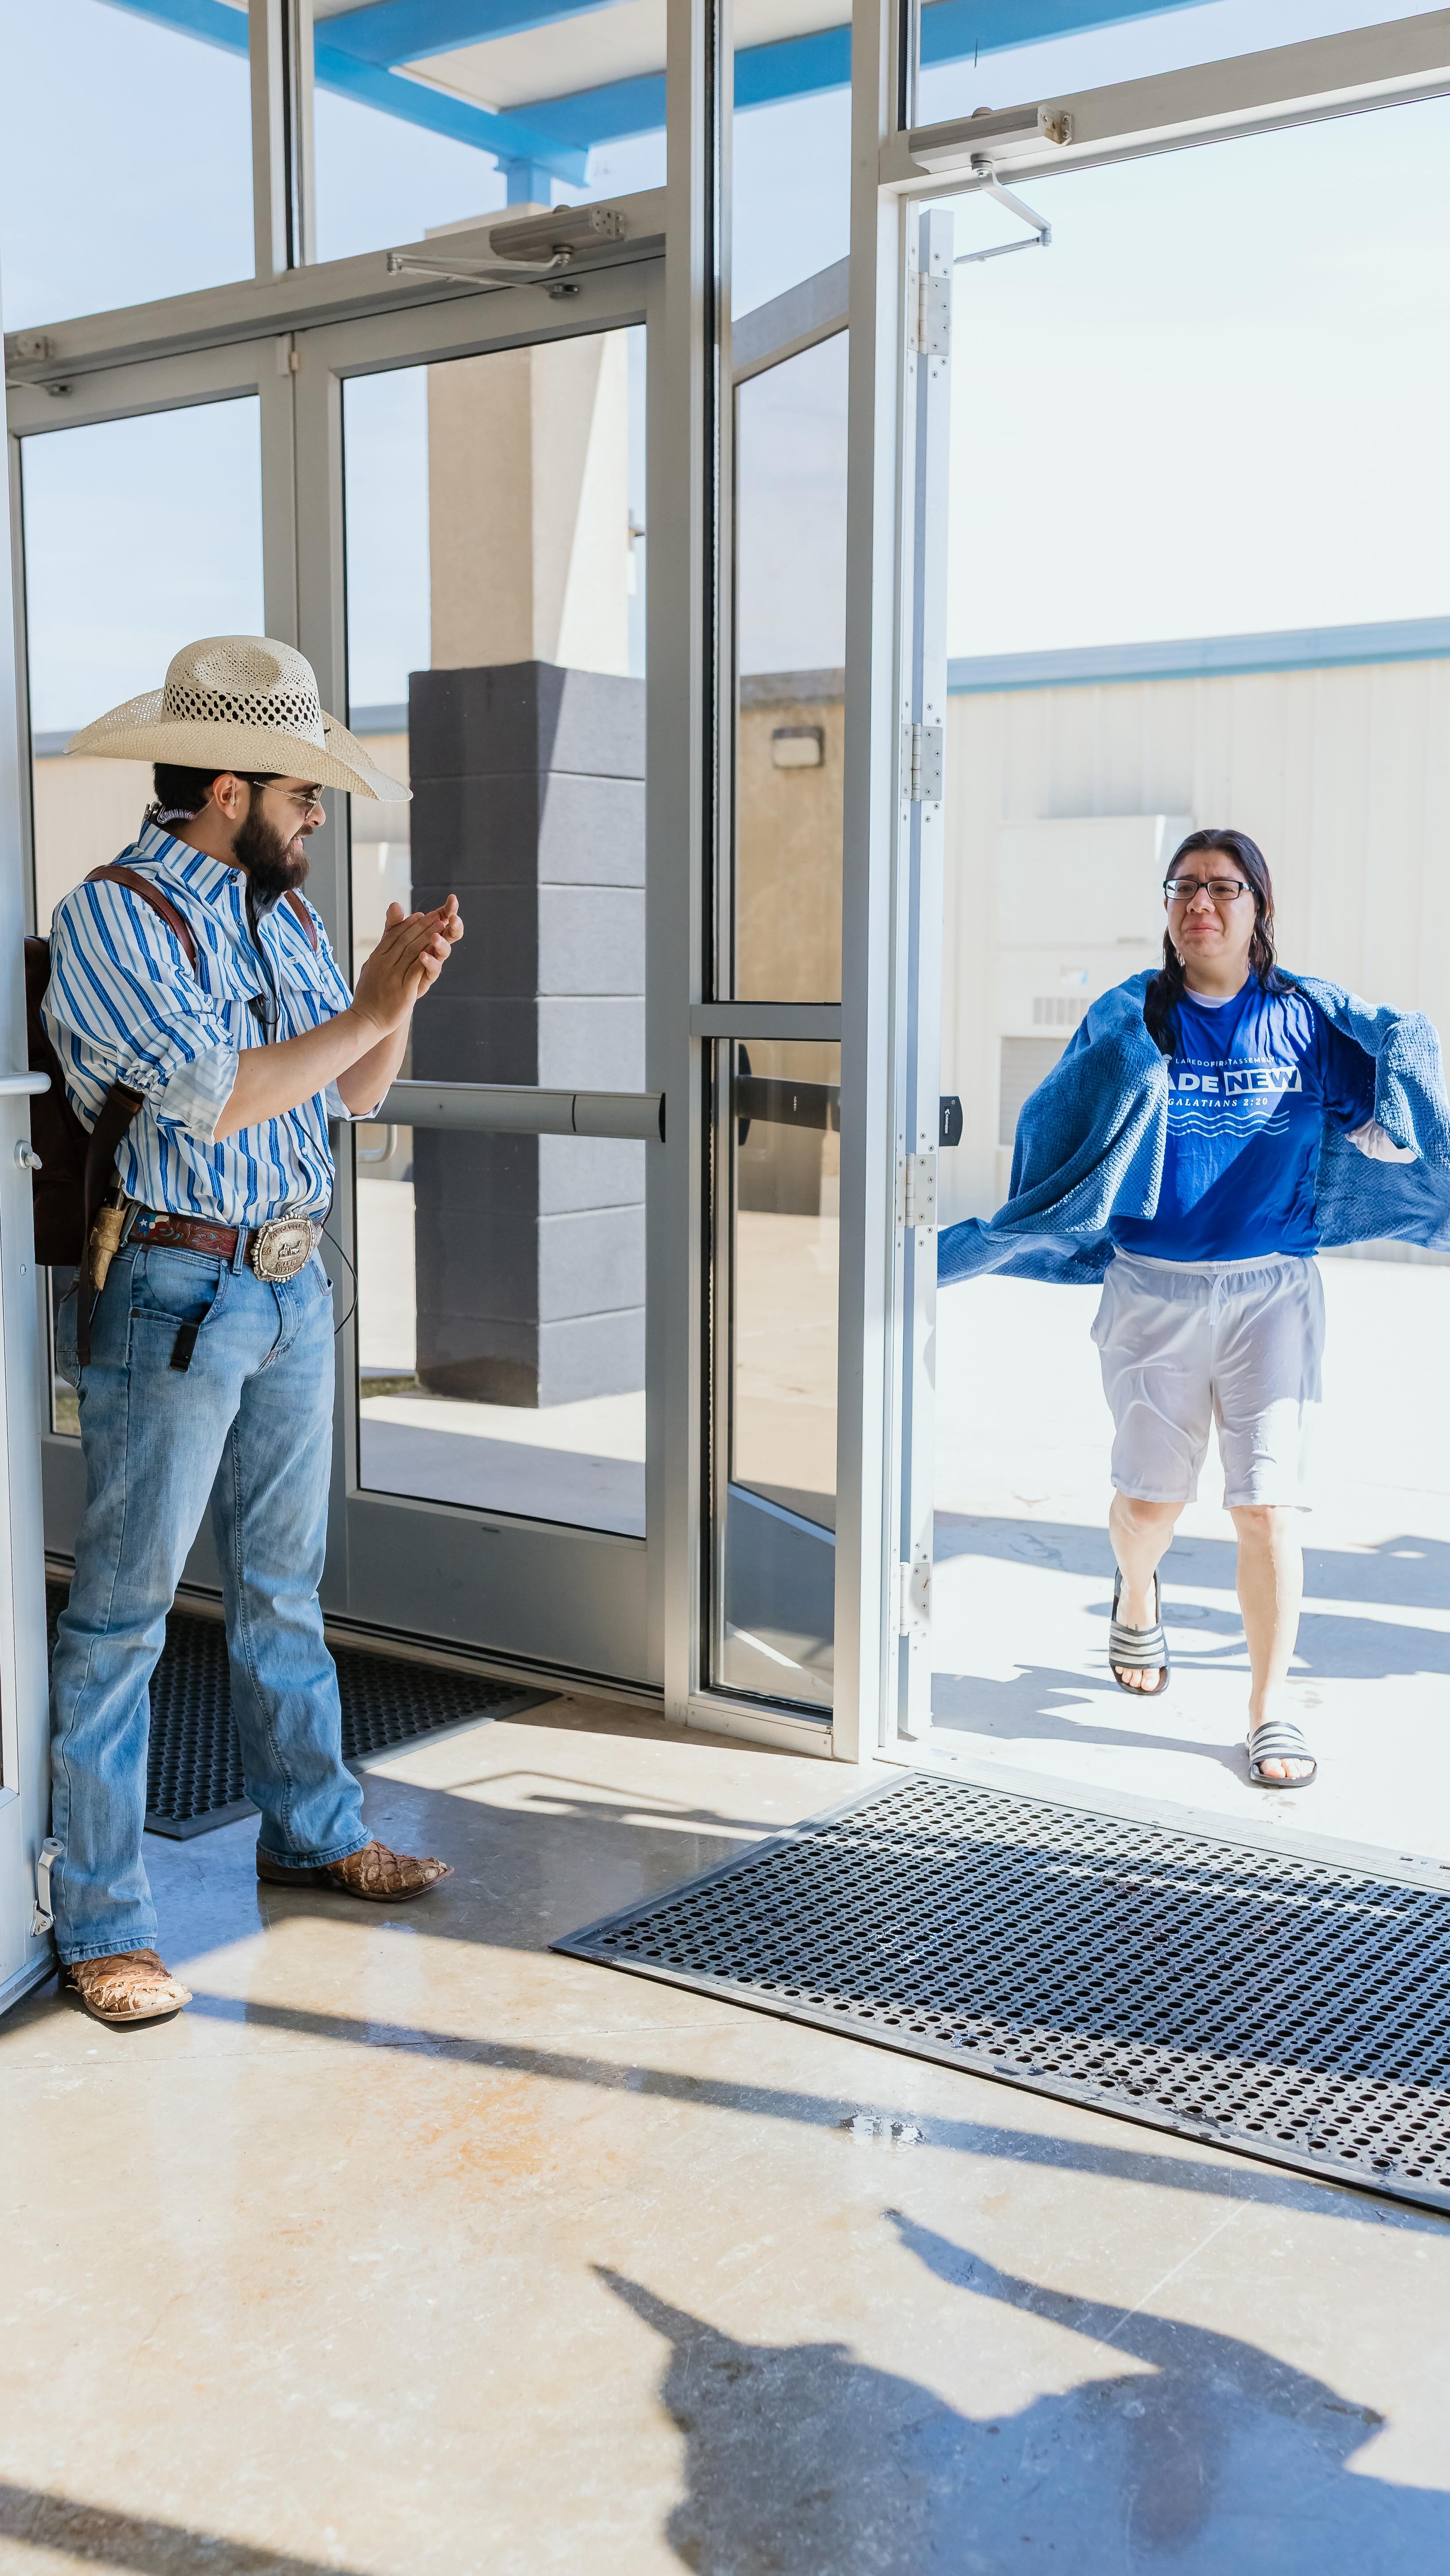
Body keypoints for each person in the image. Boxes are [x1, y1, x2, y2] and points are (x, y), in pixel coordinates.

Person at [43, 636, 465, 2026]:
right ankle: (102, 1918)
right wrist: (363, 1008)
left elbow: (349, 1094)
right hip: (175, 1289)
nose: (320, 815)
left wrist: (393, 998)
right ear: (230, 786)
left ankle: (314, 1826)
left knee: (287, 1587)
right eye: (303, 793)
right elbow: (218, 1098)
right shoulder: (112, 916)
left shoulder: (280, 913)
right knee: (122, 1619)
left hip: (292, 1282)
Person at [940, 826, 1450, 1792]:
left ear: (1259, 909)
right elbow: (1060, 1124)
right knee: (1150, 1505)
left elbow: (1380, 1129)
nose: (1198, 905)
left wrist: (1406, 1096)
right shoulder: (1131, 1016)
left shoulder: (1302, 1019)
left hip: (1272, 1291)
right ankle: (1137, 1588)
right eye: (1181, 888)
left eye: (1220, 888)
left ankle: (1268, 1707)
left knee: (1267, 1510)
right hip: (1152, 1289)